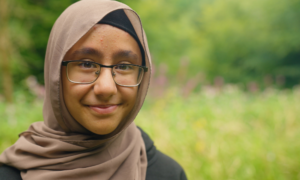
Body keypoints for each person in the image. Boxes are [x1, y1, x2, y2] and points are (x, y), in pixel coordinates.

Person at [0, 0, 187, 180]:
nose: (106, 88)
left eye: (123, 66)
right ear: (55, 72)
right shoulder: (8, 175)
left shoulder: (167, 174)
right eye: (86, 64)